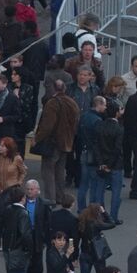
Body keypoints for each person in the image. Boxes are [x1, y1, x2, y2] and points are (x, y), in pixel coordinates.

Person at [33, 78, 80, 207]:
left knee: (48, 170)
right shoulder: (72, 102)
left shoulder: (52, 103)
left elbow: (47, 126)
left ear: (53, 89)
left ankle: (50, 199)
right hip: (66, 142)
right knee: (60, 171)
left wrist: (37, 138)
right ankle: (60, 196)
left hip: (52, 142)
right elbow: (76, 123)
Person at [0, 184, 35, 273]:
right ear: (23, 198)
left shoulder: (8, 210)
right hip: (19, 251)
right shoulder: (23, 214)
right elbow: (26, 234)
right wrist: (30, 250)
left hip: (7, 249)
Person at [93, 100, 126, 224]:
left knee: (99, 191)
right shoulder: (119, 129)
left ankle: (101, 216)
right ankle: (113, 217)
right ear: (117, 113)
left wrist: (101, 163)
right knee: (116, 193)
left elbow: (96, 146)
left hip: (101, 163)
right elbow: (117, 149)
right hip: (115, 164)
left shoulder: (99, 126)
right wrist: (110, 165)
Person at [78, 95, 108, 211]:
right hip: (93, 155)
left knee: (84, 183)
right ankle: (92, 211)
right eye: (104, 105)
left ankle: (81, 209)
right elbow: (99, 140)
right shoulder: (97, 120)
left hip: (84, 152)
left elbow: (79, 134)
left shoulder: (84, 116)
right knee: (94, 184)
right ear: (98, 104)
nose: (105, 107)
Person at [77, 204, 115, 273]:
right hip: (98, 254)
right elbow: (112, 223)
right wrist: (104, 212)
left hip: (85, 253)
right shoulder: (96, 224)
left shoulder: (82, 222)